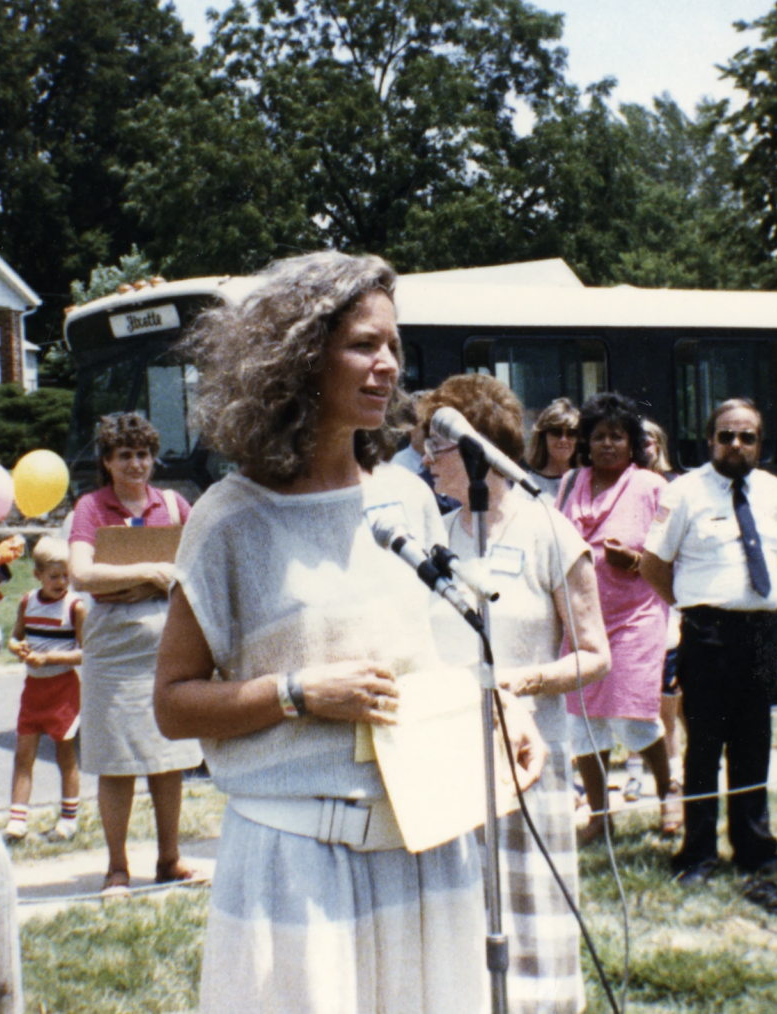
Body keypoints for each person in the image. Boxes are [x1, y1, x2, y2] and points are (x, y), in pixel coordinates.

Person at [155, 251, 546, 1013]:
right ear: (300, 358)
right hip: (295, 863)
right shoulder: (230, 519)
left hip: (423, 846)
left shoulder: (407, 496)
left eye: (393, 346)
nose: (387, 365)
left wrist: (502, 704)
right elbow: (172, 703)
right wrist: (297, 693)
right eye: (364, 344)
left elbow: (438, 658)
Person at [421, 374, 610, 1014]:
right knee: (457, 927)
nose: (426, 461)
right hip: (448, 764)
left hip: (529, 762)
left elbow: (594, 654)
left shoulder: (548, 531)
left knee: (533, 930)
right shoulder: (436, 535)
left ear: (477, 450)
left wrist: (518, 682)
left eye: (436, 448)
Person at [640, 398, 777, 906]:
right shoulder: (684, 492)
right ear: (709, 440)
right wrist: (696, 608)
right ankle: (699, 854)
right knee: (704, 746)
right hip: (707, 635)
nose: (736, 445)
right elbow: (652, 565)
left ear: (759, 442)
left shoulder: (773, 491)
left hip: (761, 634)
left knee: (754, 744)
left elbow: (773, 556)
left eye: (747, 437)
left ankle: (755, 849)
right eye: (726, 435)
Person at [68, 413, 202, 891]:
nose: (136, 463)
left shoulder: (172, 503)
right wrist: (150, 571)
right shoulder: (91, 507)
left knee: (168, 754)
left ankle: (170, 859)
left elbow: (199, 555)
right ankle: (117, 868)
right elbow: (83, 574)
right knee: (116, 759)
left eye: (143, 454)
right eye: (124, 455)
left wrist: (141, 575)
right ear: (107, 461)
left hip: (169, 638)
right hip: (114, 646)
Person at [556, 393, 678, 843]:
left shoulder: (652, 487)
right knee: (583, 723)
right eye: (599, 435)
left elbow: (671, 551)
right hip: (583, 620)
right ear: (586, 440)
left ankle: (669, 793)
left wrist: (637, 560)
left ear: (633, 443)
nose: (607, 444)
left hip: (636, 617)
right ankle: (600, 815)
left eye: (617, 436)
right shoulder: (570, 482)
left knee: (634, 718)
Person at [5, 537, 88, 841]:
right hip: (33, 690)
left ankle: (68, 820)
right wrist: (19, 648)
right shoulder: (28, 601)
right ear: (37, 574)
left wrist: (49, 657)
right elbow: (14, 638)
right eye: (54, 576)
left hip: (62, 690)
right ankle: (17, 819)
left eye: (66, 575)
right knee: (23, 754)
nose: (62, 582)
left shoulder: (74, 607)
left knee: (65, 756)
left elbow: (84, 653)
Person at [624, 419, 686, 801]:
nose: (645, 443)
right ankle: (634, 772)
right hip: (630, 599)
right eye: (639, 438)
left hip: (664, 595)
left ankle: (674, 774)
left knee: (666, 696)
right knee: (633, 694)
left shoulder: (675, 485)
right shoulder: (622, 483)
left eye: (651, 437)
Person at [525, 398, 580, 499]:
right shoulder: (527, 485)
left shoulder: (587, 482)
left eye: (571, 433)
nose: (563, 440)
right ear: (543, 437)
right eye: (556, 432)